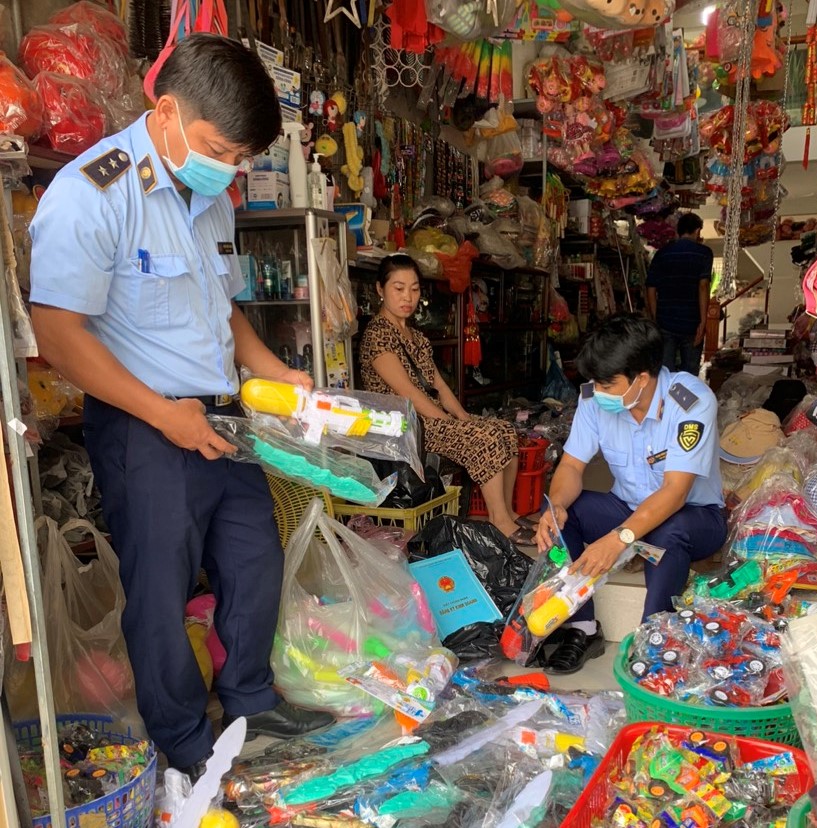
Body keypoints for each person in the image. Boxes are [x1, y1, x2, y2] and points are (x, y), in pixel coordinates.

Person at [28, 34, 334, 780]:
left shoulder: (211, 198)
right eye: (220, 150)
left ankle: (251, 700)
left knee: (254, 561)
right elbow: (58, 336)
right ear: (165, 111)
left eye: (240, 158)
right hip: (145, 427)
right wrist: (166, 416)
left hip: (222, 417)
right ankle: (182, 738)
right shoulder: (90, 193)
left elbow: (224, 308)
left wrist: (275, 372)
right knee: (161, 592)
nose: (229, 168)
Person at [535, 314, 726, 674]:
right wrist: (556, 505)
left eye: (607, 384)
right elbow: (572, 465)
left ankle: (654, 640)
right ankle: (582, 627)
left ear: (642, 378)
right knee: (565, 516)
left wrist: (619, 538)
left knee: (668, 531)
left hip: (694, 518)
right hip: (626, 509)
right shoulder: (595, 397)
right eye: (595, 382)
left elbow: (675, 492)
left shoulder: (690, 401)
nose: (598, 392)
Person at [359, 255, 533, 544]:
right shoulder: (377, 336)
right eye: (399, 288)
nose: (407, 297)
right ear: (380, 289)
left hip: (429, 417)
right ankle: (499, 521)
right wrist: (451, 423)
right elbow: (409, 393)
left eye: (414, 289)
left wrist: (463, 417)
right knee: (484, 438)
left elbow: (438, 385)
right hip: (405, 427)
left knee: (503, 430)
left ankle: (509, 512)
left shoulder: (417, 338)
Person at [645, 212, 713, 376]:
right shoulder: (704, 253)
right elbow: (703, 286)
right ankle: (685, 394)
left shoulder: (662, 254)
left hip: (665, 321)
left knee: (665, 374)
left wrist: (655, 317)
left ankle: (667, 394)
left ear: (678, 231)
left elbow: (651, 288)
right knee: (689, 375)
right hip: (691, 323)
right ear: (697, 231)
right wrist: (703, 322)